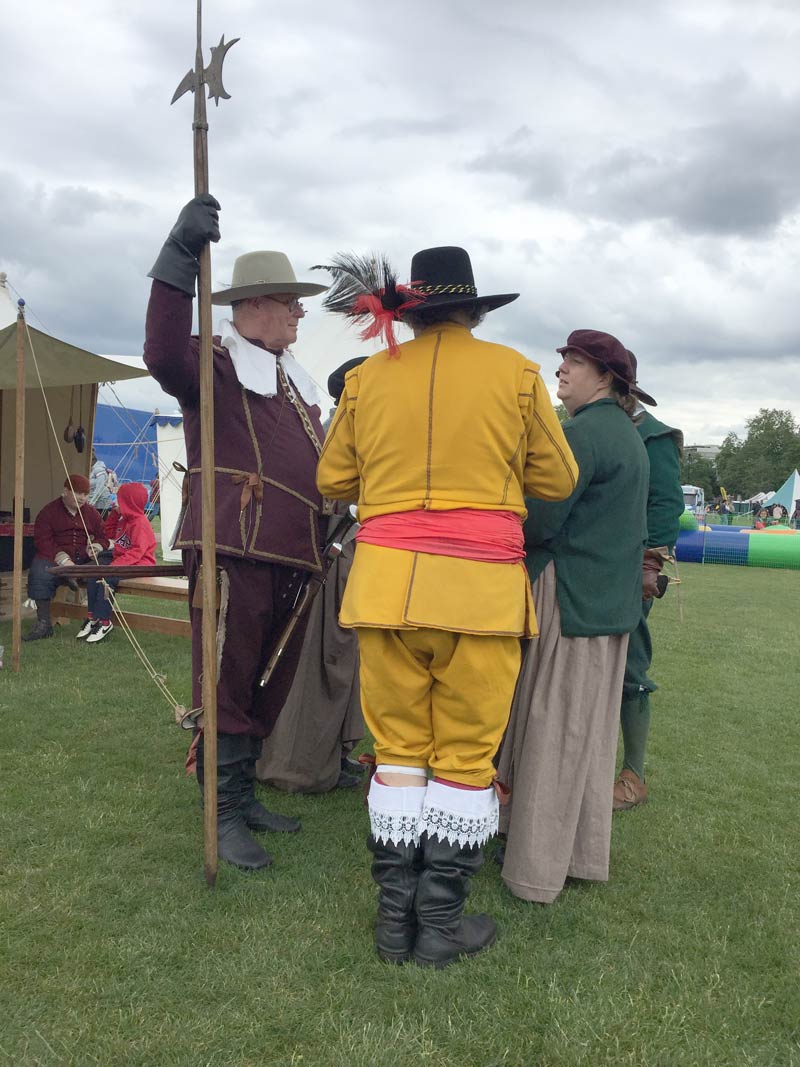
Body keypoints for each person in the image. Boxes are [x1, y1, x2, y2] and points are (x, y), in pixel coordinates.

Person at [317, 246, 578, 967]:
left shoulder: (369, 378)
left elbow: (333, 475)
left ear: (414, 308)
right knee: (464, 756)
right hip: (481, 596)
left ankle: (392, 922)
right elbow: (557, 477)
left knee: (398, 751)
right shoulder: (517, 374)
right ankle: (438, 924)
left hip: (386, 590)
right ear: (474, 308)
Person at [143, 194, 329, 871]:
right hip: (234, 546)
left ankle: (241, 797)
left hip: (292, 556)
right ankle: (218, 813)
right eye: (290, 303)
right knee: (224, 683)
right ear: (253, 307)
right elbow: (159, 348)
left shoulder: (294, 384)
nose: (300, 314)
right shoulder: (214, 364)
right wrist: (178, 258)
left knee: (262, 685)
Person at [497, 329, 649, 905]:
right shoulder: (621, 432)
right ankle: (578, 854)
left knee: (555, 731)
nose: (561, 370)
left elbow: (539, 522)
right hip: (605, 604)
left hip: (574, 599)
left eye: (576, 362)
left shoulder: (584, 433)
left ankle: (535, 870)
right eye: (562, 360)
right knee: (584, 735)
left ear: (605, 378)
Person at [256, 357, 368, 793]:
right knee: (316, 663)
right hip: (327, 560)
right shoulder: (336, 434)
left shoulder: (356, 429)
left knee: (342, 662)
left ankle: (331, 755)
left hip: (351, 558)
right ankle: (297, 763)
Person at [613, 351, 684, 810]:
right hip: (589, 565)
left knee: (630, 665)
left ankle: (633, 776)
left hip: (630, 569)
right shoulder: (590, 427)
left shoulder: (654, 437)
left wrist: (649, 566)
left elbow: (664, 505)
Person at [22, 475, 111, 641]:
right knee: (40, 571)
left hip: (82, 560)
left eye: (86, 493)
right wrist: (63, 560)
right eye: (78, 493)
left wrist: (95, 547)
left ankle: (98, 620)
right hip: (54, 558)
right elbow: (43, 540)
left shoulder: (90, 512)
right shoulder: (48, 512)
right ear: (65, 491)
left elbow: (103, 536)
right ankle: (43, 624)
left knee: (101, 568)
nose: (83, 497)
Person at [77, 482, 157, 644]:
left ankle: (105, 621)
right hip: (123, 559)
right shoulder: (124, 519)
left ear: (129, 503)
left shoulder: (140, 523)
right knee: (95, 573)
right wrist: (114, 514)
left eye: (120, 501)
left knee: (108, 578)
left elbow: (137, 551)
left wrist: (116, 565)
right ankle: (93, 617)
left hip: (141, 563)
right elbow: (107, 533)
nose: (117, 503)